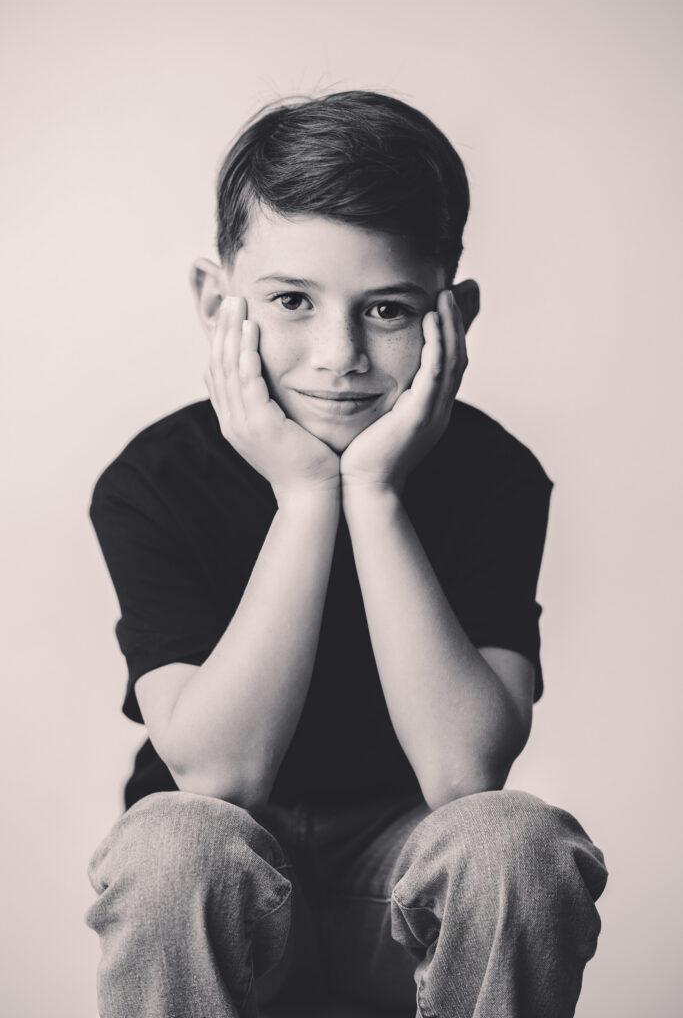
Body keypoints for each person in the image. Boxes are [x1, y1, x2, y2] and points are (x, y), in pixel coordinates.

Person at [85, 90, 608, 1018]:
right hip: (230, 904)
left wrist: (372, 491)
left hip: (405, 903)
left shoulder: (495, 476)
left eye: (388, 310)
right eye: (292, 300)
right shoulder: (154, 480)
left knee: (516, 843)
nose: (340, 355)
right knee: (171, 843)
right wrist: (302, 495)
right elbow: (218, 776)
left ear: (453, 315)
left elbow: (463, 773)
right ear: (215, 301)